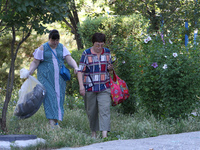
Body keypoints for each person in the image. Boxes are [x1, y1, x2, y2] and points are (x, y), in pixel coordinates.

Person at [28, 29, 79, 127]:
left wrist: (75, 67)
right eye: (53, 40)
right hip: (46, 78)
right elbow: (35, 62)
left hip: (60, 79)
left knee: (59, 98)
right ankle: (51, 122)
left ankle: (56, 122)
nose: (55, 43)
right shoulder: (42, 48)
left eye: (57, 40)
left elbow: (69, 59)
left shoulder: (61, 47)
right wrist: (30, 71)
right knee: (50, 97)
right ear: (49, 39)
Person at [77, 33, 113, 138]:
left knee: (105, 109)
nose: (99, 47)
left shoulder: (107, 52)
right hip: (89, 87)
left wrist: (110, 68)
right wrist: (81, 86)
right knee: (91, 111)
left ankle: (104, 135)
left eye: (101, 45)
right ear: (93, 43)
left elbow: (108, 69)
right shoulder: (86, 53)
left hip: (104, 86)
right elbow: (80, 71)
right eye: (97, 45)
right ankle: (94, 132)